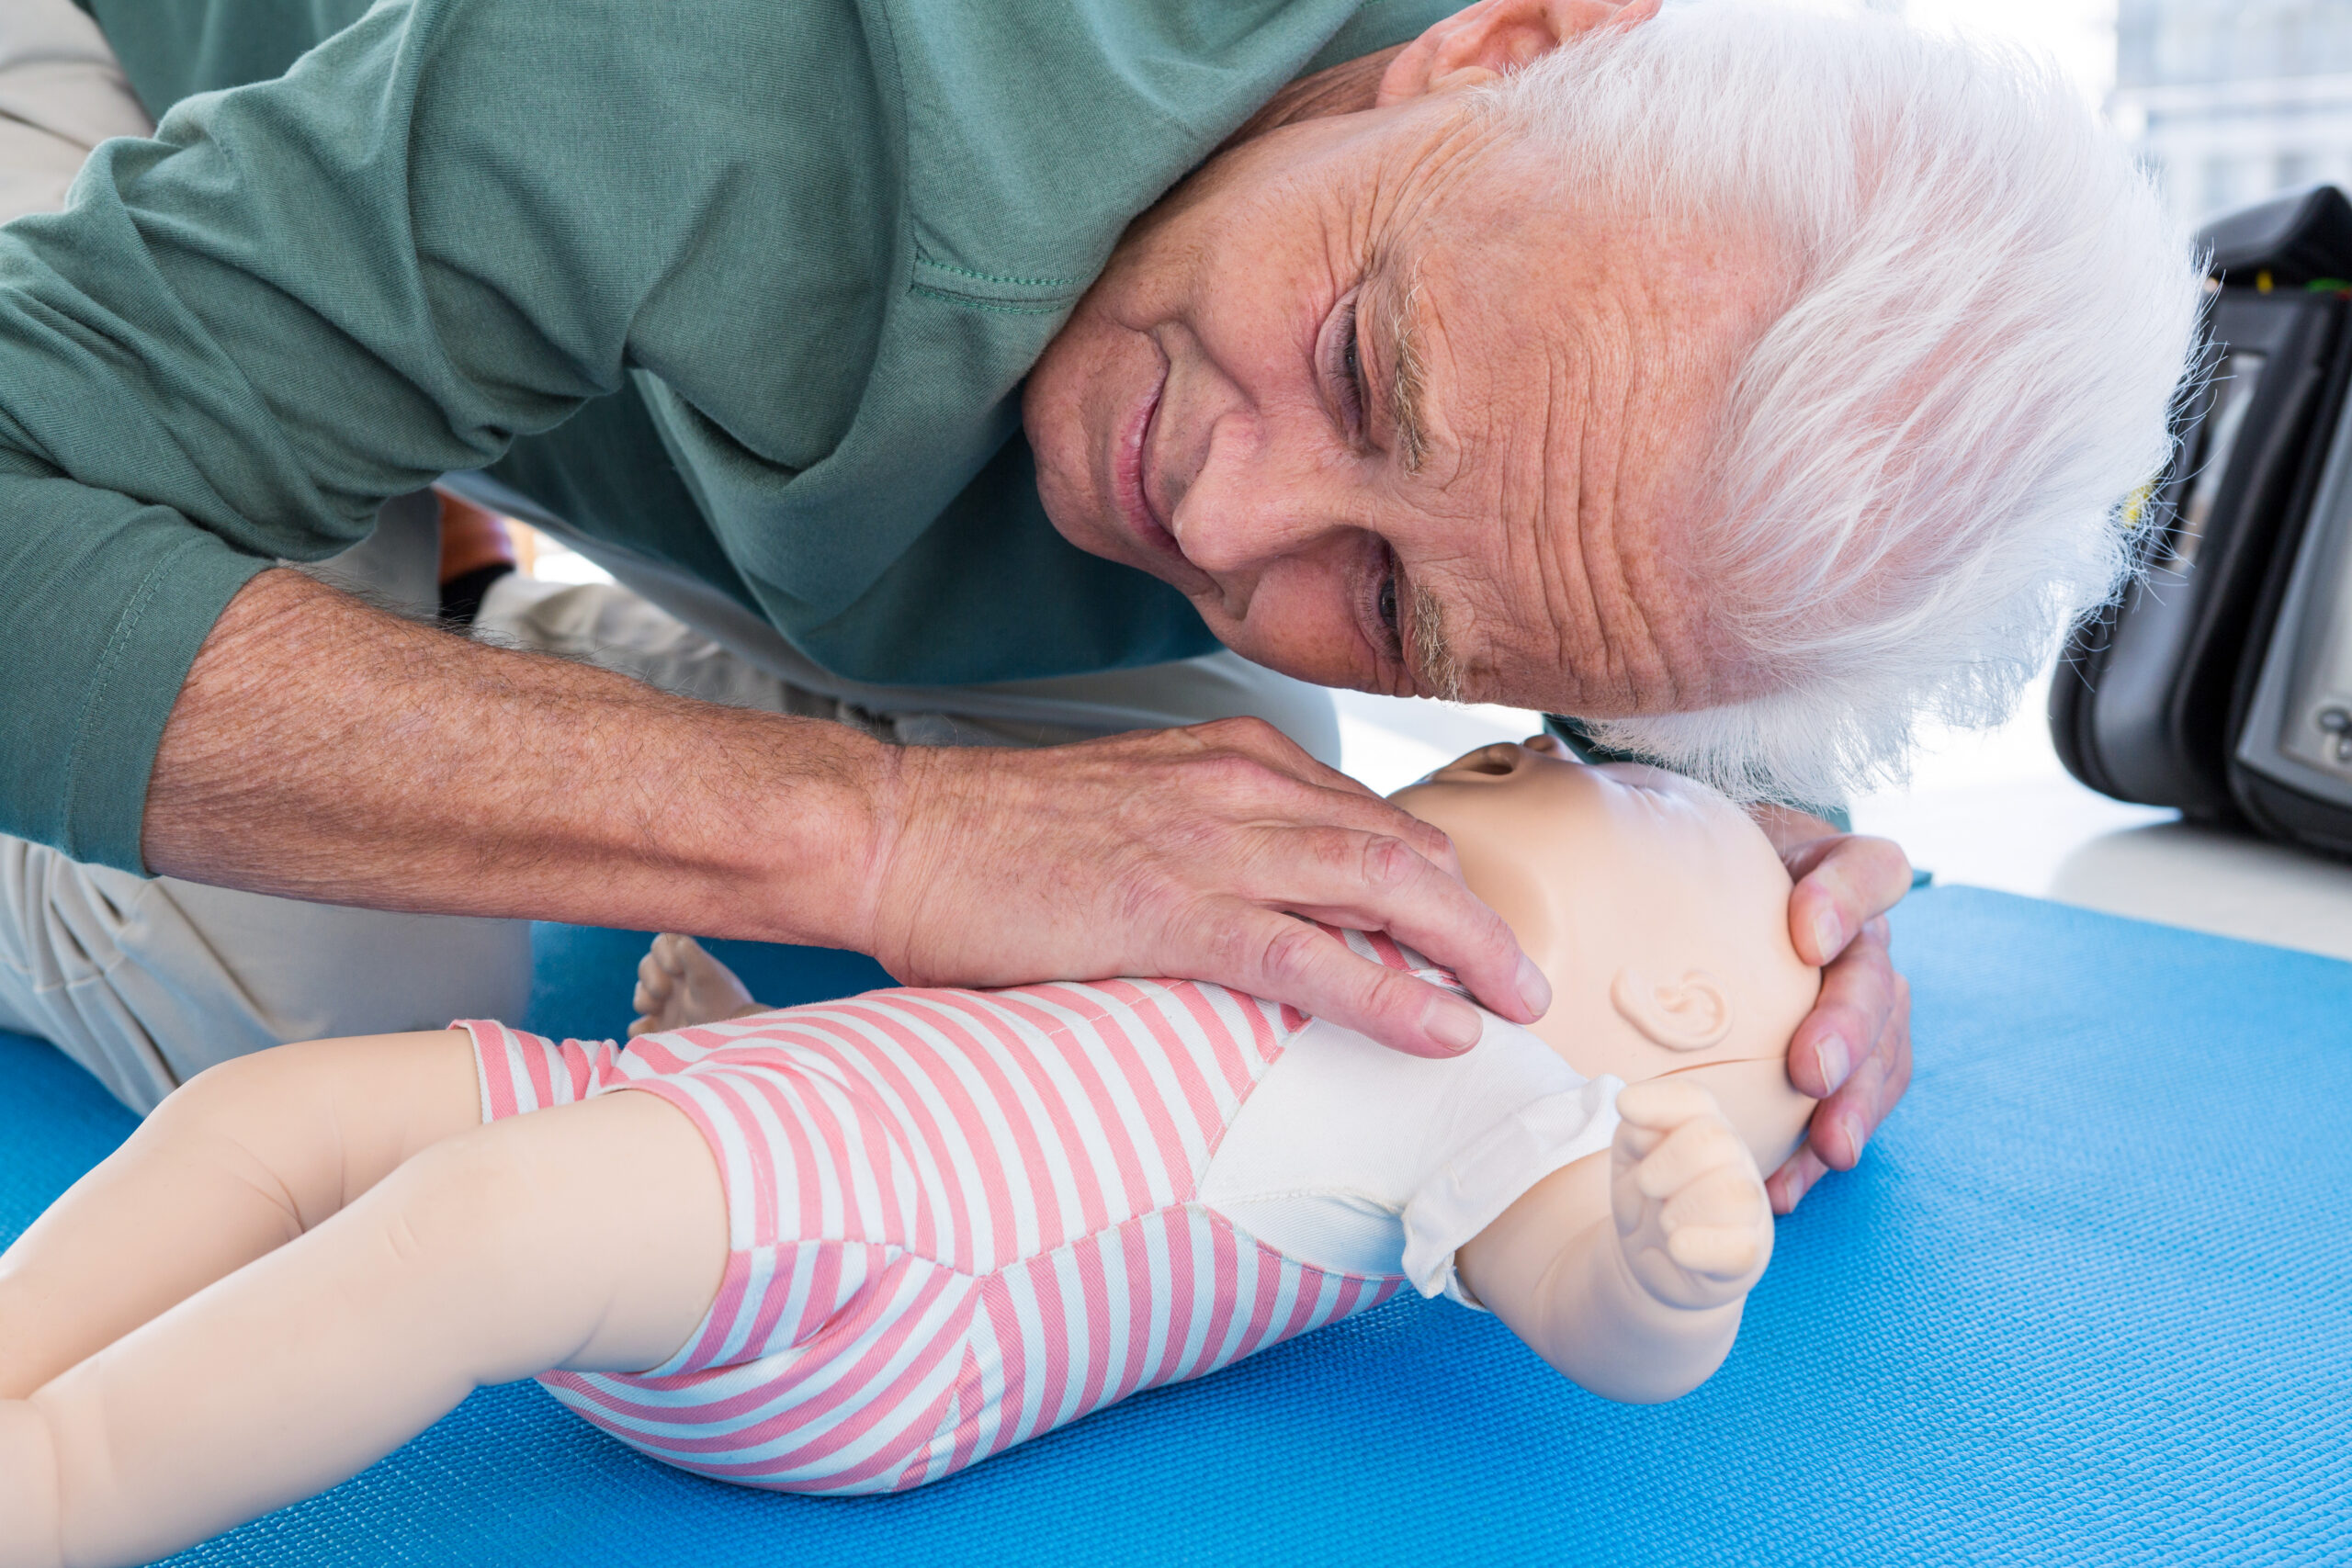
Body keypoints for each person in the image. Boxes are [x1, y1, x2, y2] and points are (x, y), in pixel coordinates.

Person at [0, 0, 2202, 1210]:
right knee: (316, 994)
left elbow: (1642, 564)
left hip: (566, 303)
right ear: (1499, 44)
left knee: (1272, 836)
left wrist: (1752, 897)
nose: (1234, 528)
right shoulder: (755, 64)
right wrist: (883, 838)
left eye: (1401, 607)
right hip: (130, 126)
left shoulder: (1594, 287)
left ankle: (530, 650)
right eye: (1369, 366)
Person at [0, 743, 1818, 1562]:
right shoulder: (1261, 908)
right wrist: (743, 1053)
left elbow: (1583, 1306)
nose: (1482, 755)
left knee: (464, 1224)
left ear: (1662, 1002)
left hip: (879, 1305)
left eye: (1525, 782)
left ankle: (60, 1485)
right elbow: (974, 1060)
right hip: (735, 1143)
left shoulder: (1488, 1082)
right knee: (262, 1112)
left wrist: (1665, 1273)